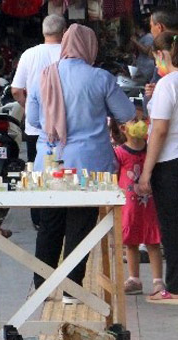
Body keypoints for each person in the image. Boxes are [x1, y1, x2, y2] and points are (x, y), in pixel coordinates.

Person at [25, 24, 135, 304]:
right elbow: (126, 113)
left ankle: (42, 286)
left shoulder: (44, 76)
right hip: (89, 166)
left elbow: (35, 121)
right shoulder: (101, 78)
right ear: (90, 47)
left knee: (50, 223)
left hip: (51, 162)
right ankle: (72, 290)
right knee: (80, 223)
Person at [136, 32, 178, 305]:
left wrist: (146, 172)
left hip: (172, 162)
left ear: (162, 55)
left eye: (155, 58)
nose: (156, 65)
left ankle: (175, 289)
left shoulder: (168, 85)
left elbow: (160, 131)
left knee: (173, 226)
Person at [11, 14, 65, 230]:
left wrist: (29, 109)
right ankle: (59, 212)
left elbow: (16, 90)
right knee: (63, 170)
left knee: (36, 170)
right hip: (64, 127)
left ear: (44, 32)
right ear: (64, 32)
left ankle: (38, 219)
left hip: (36, 128)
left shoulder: (29, 54)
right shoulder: (69, 54)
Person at [110, 113, 163, 296]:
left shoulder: (152, 150)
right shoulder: (119, 153)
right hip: (129, 208)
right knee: (130, 242)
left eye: (142, 119)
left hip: (150, 206)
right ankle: (134, 279)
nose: (140, 124)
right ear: (123, 129)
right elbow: (115, 178)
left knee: (153, 241)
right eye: (134, 121)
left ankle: (158, 281)